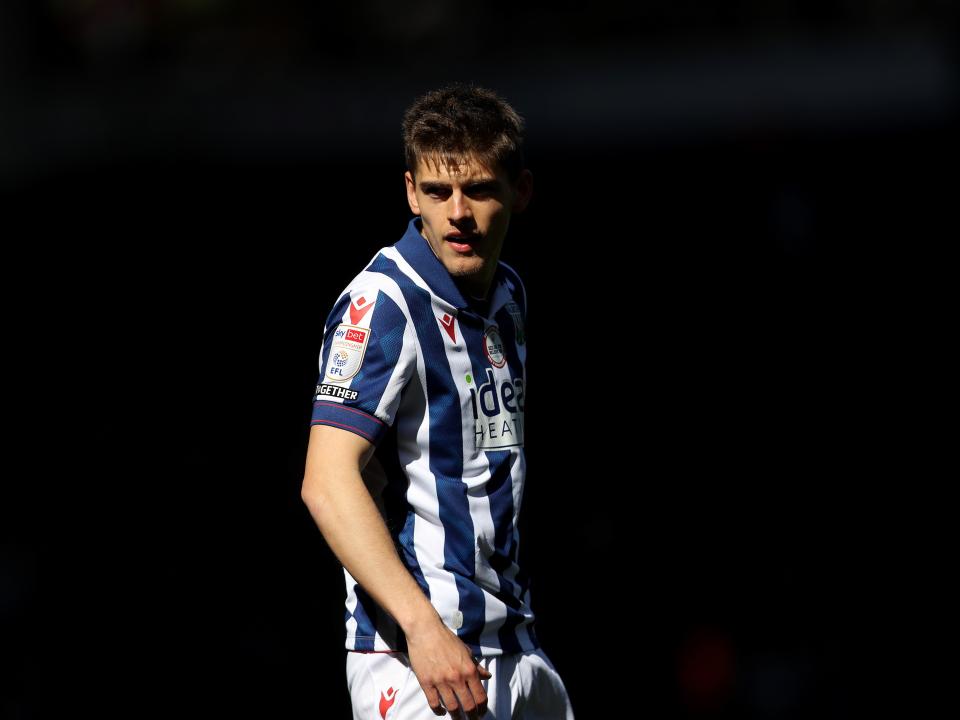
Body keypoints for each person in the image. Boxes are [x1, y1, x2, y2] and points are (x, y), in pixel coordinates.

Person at [301, 83, 574, 720]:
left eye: (477, 189)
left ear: (521, 192)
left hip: (516, 645)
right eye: (437, 191)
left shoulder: (509, 295)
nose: (457, 212)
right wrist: (422, 628)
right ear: (409, 193)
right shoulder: (383, 303)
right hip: (420, 657)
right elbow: (326, 480)